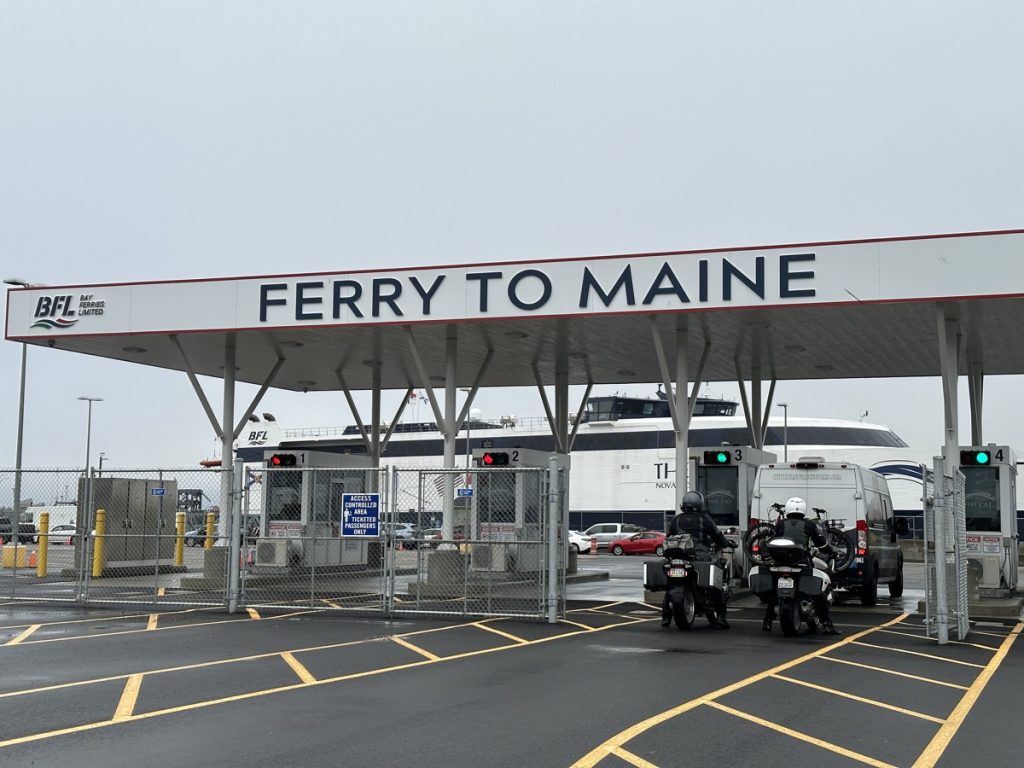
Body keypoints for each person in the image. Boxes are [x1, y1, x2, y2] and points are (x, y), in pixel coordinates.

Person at [762, 497, 840, 636]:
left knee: (774, 592)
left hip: (780, 563)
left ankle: (767, 621)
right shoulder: (809, 525)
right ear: (803, 510)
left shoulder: (781, 524)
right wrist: (830, 550)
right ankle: (827, 624)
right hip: (802, 563)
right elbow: (821, 543)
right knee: (818, 593)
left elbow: (775, 539)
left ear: (787, 509)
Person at [661, 490, 733, 629]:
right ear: (699, 503)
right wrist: (725, 543)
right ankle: (722, 617)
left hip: (677, 557)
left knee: (670, 585)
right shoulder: (704, 519)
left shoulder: (677, 519)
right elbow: (718, 537)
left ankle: (666, 617)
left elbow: (669, 537)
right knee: (717, 577)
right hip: (699, 557)